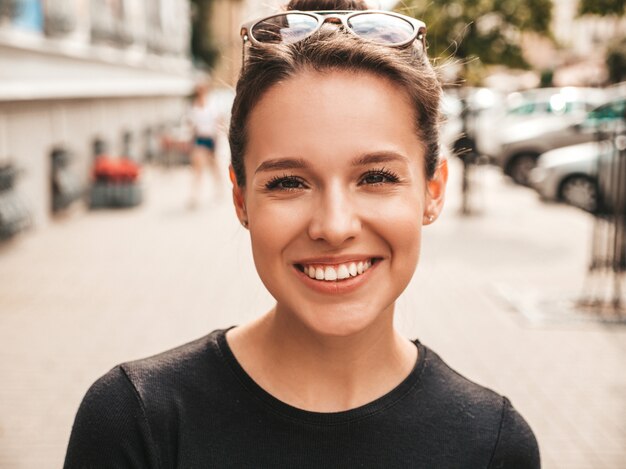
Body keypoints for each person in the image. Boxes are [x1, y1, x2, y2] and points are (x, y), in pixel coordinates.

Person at [64, 1, 540, 467]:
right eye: (289, 182)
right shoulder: (138, 423)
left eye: (376, 177)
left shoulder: (493, 445)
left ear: (433, 191)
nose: (334, 227)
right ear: (241, 199)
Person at [186, 79, 223, 208]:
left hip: (211, 139)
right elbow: (191, 125)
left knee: (214, 167)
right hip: (200, 139)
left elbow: (218, 121)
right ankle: (195, 196)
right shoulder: (193, 107)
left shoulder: (212, 105)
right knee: (198, 168)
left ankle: (219, 189)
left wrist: (217, 137)